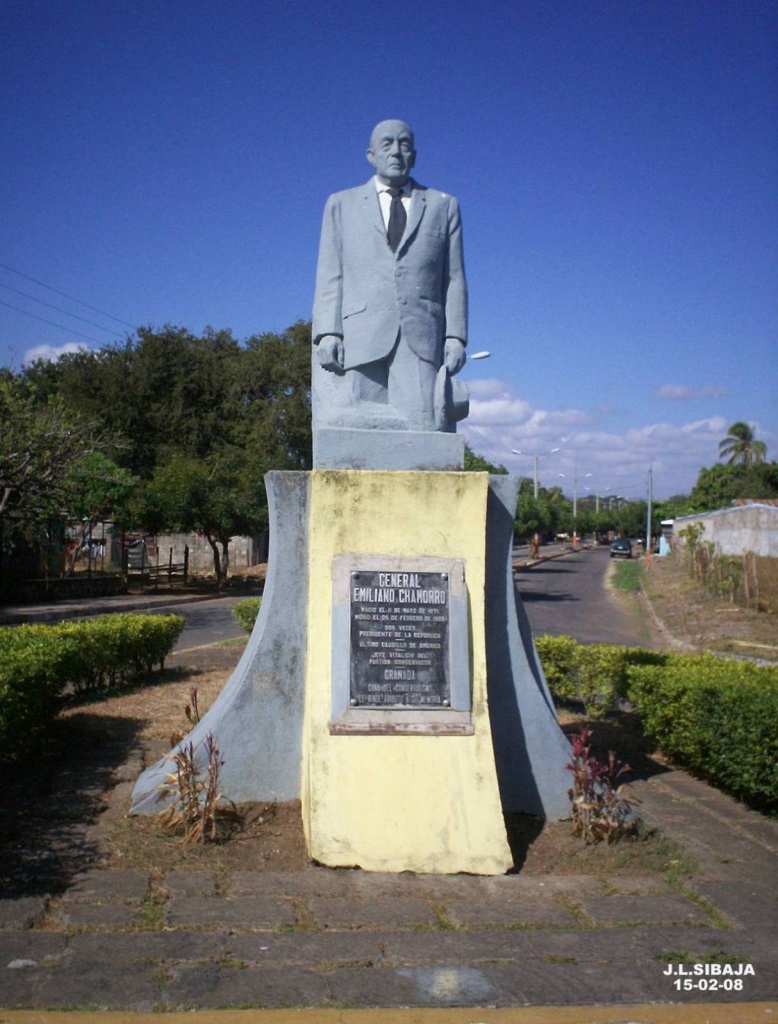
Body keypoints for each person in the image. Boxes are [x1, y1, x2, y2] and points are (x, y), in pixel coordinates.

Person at [312, 119, 468, 432]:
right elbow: (330, 274)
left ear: (414, 155)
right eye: (387, 144)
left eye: (404, 144)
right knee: (351, 431)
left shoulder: (443, 205)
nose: (396, 151)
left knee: (426, 427)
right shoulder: (341, 204)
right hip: (360, 335)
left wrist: (455, 337)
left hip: (421, 336)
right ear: (371, 155)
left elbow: (453, 277)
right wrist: (328, 332)